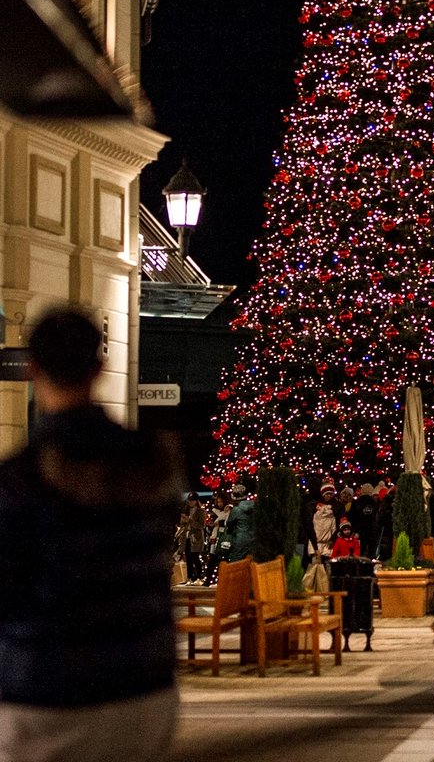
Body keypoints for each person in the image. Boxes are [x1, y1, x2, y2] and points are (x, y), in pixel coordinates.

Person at [0, 306, 182, 761]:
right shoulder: (156, 461)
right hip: (146, 689)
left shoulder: (18, 480)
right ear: (99, 368)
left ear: (32, 368)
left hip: (47, 694)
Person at [216, 481, 255, 563]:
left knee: (236, 562)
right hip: (254, 539)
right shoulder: (255, 506)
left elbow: (229, 524)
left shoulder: (236, 510)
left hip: (240, 539)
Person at [183, 492, 207, 583]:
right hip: (187, 536)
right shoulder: (186, 510)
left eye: (192, 500)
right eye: (189, 500)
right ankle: (190, 577)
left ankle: (199, 576)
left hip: (196, 537)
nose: (190, 502)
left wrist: (190, 520)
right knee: (188, 557)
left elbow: (201, 525)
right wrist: (183, 521)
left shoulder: (201, 511)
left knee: (195, 557)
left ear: (196, 501)